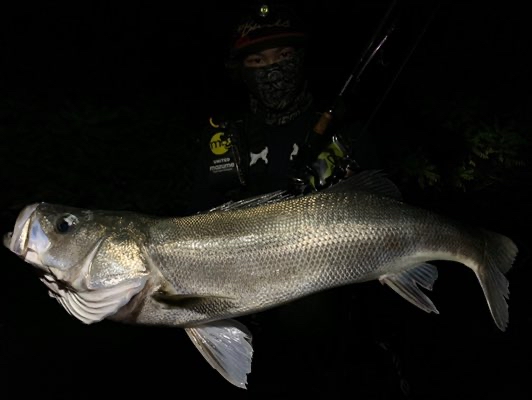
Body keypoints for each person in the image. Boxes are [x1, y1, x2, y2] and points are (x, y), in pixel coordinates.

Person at [188, 3, 382, 212]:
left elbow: (382, 207)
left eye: (284, 55)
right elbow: (199, 215)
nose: (272, 70)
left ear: (301, 58)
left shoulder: (345, 134)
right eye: (257, 60)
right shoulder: (222, 139)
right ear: (240, 70)